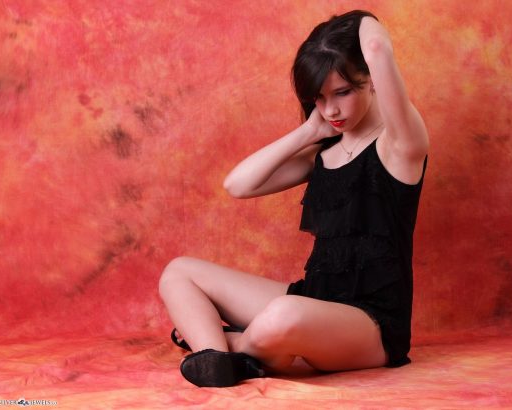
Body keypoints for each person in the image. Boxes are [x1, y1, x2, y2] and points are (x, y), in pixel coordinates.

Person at [158, 10, 429, 388]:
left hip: (372, 326)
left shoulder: (401, 146)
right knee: (178, 272)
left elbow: (377, 48)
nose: (331, 110)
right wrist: (309, 132)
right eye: (319, 97)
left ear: (370, 80)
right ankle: (216, 358)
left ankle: (236, 345)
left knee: (285, 314)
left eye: (342, 92)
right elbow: (237, 185)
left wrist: (361, 18)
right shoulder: (323, 153)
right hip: (313, 299)